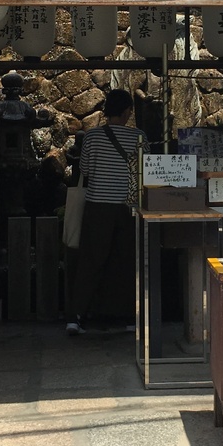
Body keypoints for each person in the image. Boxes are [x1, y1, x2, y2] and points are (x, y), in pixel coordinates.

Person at [68, 88, 144, 335]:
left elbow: (86, 171)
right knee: (125, 259)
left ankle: (76, 316)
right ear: (127, 112)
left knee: (90, 259)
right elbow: (147, 172)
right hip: (128, 206)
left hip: (97, 205)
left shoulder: (91, 137)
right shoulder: (139, 138)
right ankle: (127, 315)